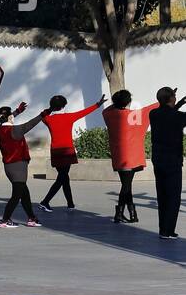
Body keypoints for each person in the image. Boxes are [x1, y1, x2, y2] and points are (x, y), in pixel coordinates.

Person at [38, 94, 107, 212]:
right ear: (64, 106)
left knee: (64, 178)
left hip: (55, 151)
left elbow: (42, 114)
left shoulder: (48, 119)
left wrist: (50, 108)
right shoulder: (69, 117)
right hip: (67, 151)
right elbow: (84, 112)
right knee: (62, 178)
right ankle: (45, 202)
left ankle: (70, 204)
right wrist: (97, 105)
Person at [0, 102, 50, 228]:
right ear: (9, 117)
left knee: (24, 193)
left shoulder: (1, 128)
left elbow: (6, 119)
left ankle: (32, 218)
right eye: (12, 115)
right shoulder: (15, 130)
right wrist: (44, 113)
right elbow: (30, 124)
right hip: (18, 167)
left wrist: (17, 111)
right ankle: (5, 220)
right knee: (16, 196)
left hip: (9, 167)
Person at [103, 90, 149, 224]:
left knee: (126, 185)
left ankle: (132, 214)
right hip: (132, 156)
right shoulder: (134, 116)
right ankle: (119, 213)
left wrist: (116, 103)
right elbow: (151, 108)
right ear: (129, 102)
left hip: (118, 156)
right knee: (126, 186)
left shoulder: (108, 114)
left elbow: (108, 109)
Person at [148, 86, 186, 239]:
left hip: (158, 159)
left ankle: (163, 228)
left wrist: (179, 104)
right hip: (173, 160)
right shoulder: (179, 117)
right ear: (171, 98)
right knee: (173, 197)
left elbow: (167, 113)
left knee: (162, 195)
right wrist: (180, 105)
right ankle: (168, 230)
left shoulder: (153, 114)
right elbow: (173, 115)